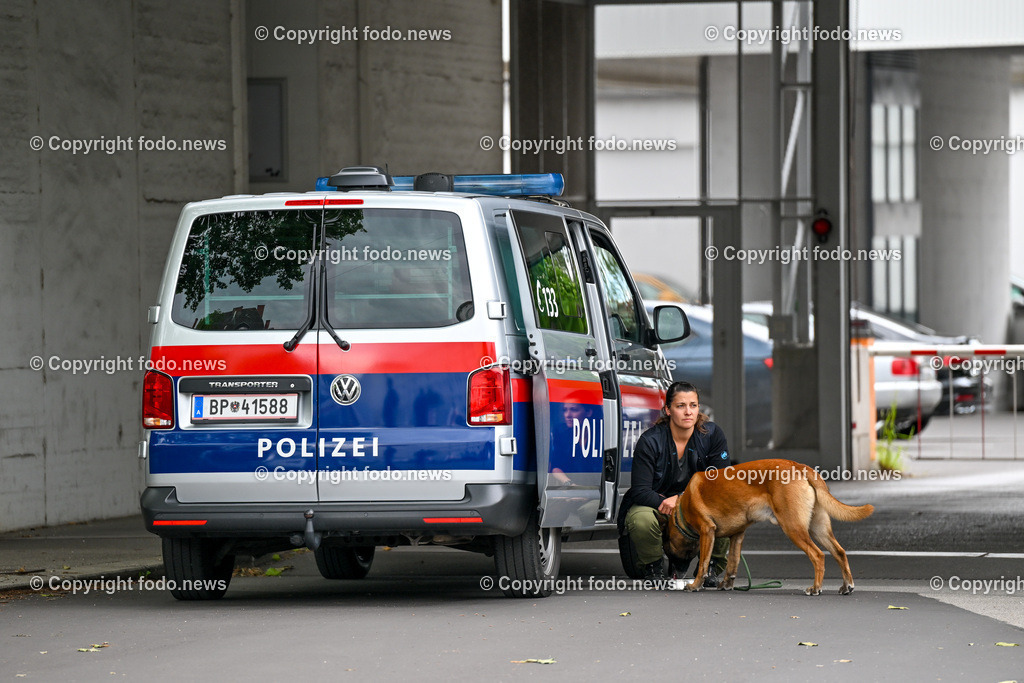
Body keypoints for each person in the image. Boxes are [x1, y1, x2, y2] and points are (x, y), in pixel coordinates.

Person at [617, 381, 732, 583]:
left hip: (697, 506)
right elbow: (640, 490)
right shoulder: (650, 440)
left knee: (727, 509)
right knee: (640, 518)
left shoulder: (712, 435)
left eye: (693, 405)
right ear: (668, 410)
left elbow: (721, 484)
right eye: (681, 406)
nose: (688, 412)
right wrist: (670, 504)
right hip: (659, 505)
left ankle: (710, 569)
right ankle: (654, 568)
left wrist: (680, 500)